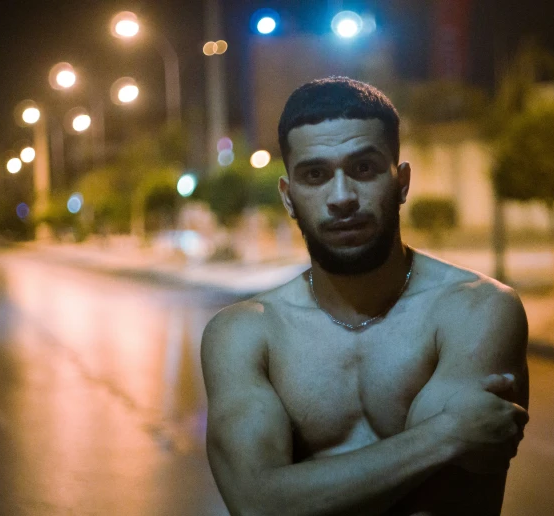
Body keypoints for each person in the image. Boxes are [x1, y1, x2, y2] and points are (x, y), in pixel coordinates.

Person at [201, 76, 529, 516]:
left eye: (363, 168)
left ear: (402, 182)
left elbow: (445, 504)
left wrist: (292, 491)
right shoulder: (244, 333)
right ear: (289, 197)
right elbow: (256, 505)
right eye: (315, 175)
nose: (341, 197)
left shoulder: (474, 310)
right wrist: (445, 435)